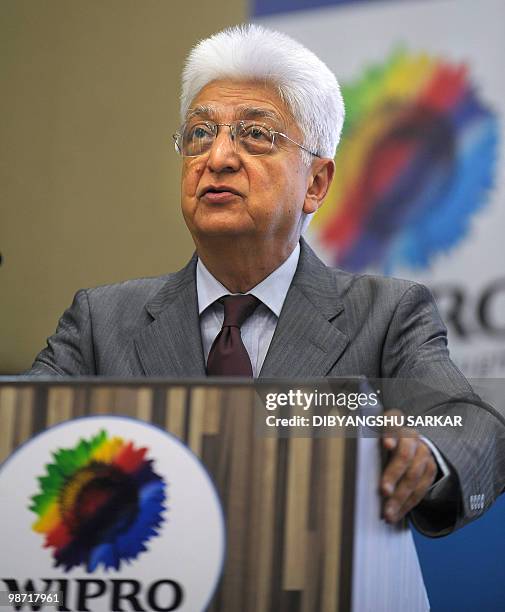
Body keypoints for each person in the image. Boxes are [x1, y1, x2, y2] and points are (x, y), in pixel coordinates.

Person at [27, 24, 504, 536]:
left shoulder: (385, 315)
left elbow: (474, 427)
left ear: (316, 183)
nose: (218, 157)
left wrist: (425, 454)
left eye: (255, 134)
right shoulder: (102, 322)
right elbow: (20, 431)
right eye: (200, 134)